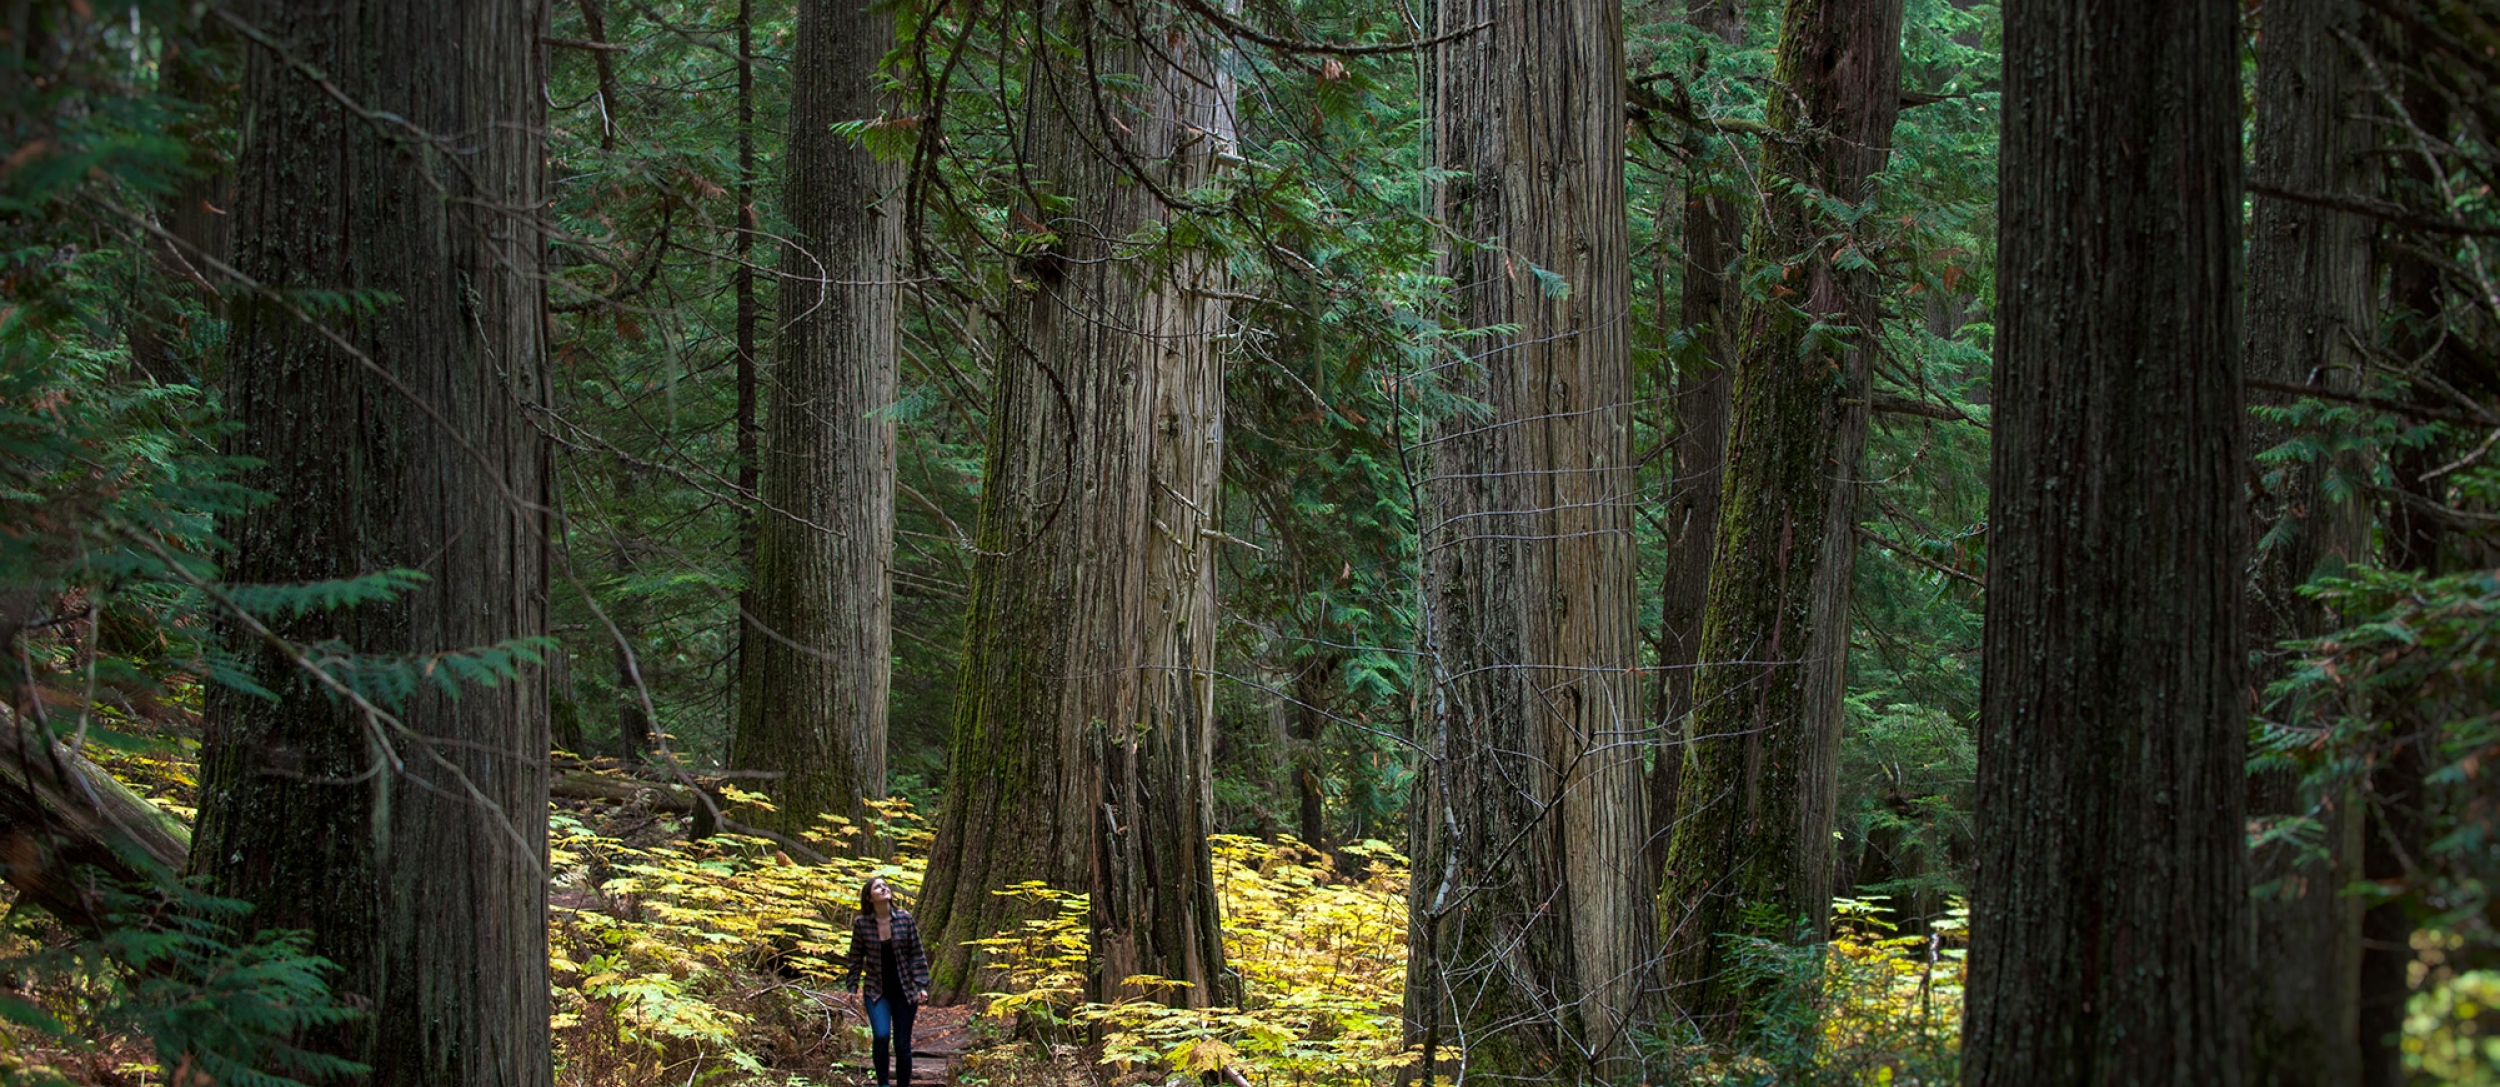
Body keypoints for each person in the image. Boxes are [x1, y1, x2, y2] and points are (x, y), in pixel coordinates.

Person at [844, 876, 932, 1087]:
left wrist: (921, 985)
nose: (884, 888)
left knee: (902, 1044)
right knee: (882, 1036)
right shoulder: (862, 924)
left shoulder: (905, 919)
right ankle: (883, 1083)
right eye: (877, 887)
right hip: (876, 991)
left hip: (905, 991)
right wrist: (852, 986)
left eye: (885, 885)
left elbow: (917, 953)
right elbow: (855, 956)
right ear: (869, 897)